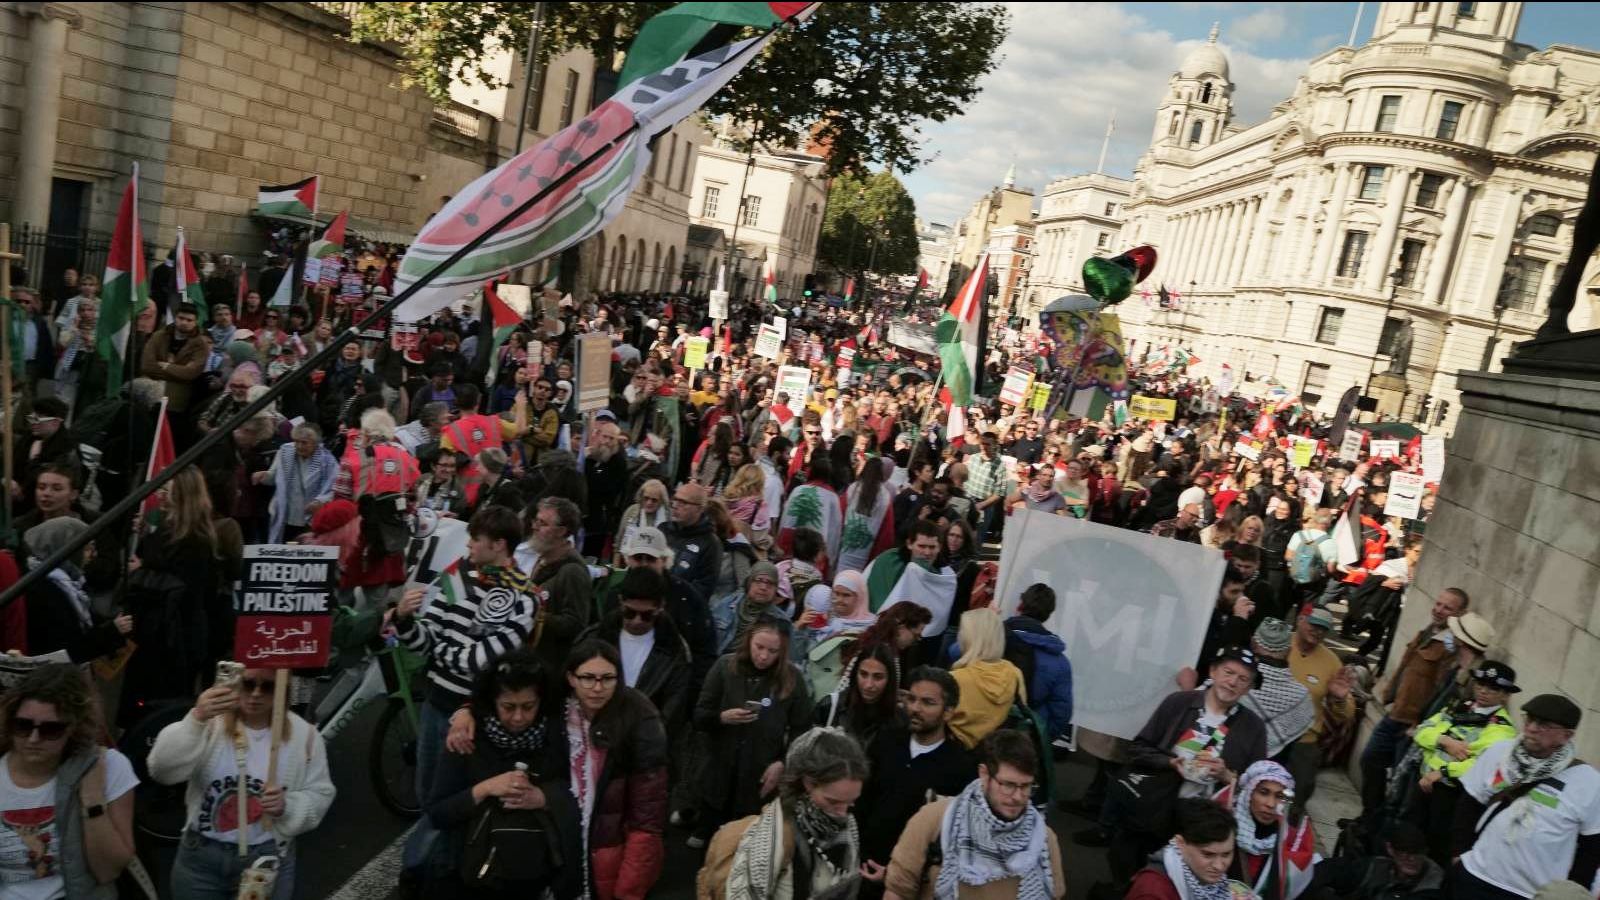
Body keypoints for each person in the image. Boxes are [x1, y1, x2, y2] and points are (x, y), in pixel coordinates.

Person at [393, 505, 537, 886]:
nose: (469, 544)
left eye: (476, 538)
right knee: (428, 795)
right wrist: (405, 621)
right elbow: (428, 640)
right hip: (435, 703)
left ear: (500, 544)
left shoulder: (524, 597)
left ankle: (434, 872)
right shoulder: (458, 574)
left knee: (453, 800)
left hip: (470, 714)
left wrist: (444, 651)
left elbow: (484, 664)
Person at [149, 662, 335, 900]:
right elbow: (161, 771)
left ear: (284, 689)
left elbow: (321, 793)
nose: (256, 693)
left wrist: (287, 806)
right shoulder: (211, 724)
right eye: (247, 684)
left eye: (268, 687)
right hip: (201, 860)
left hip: (265, 860)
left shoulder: (306, 737)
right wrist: (196, 719)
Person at [1107, 647, 1270, 886]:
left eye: (1243, 679)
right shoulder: (1179, 704)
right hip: (1155, 806)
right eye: (1228, 672)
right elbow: (1138, 749)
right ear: (1213, 672)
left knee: (1183, 881)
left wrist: (1226, 775)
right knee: (1132, 867)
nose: (1233, 682)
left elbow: (1257, 784)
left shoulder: (1253, 727)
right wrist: (1171, 762)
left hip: (1203, 819)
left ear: (1248, 687)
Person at [0, 663, 137, 899]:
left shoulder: (107, 766)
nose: (33, 739)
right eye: (22, 725)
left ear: (74, 728)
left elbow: (108, 871)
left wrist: (93, 802)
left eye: (50, 730)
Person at [884, 729, 1066, 899]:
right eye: (1008, 785)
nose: (1018, 797)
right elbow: (897, 890)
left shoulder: (1043, 839)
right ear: (984, 774)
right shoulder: (934, 820)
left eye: (1026, 786)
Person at [1451, 694, 1600, 900]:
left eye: (1544, 724)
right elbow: (1468, 804)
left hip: (1530, 893)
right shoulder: (1499, 753)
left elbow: (1591, 849)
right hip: (1476, 876)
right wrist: (1458, 855)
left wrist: (1571, 893)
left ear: (1566, 735)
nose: (1531, 728)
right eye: (1529, 719)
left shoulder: (1588, 781)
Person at [697, 727, 873, 899]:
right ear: (808, 783)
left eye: (851, 802)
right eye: (832, 801)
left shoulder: (847, 822)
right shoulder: (774, 837)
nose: (842, 814)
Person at [690, 617, 812, 849]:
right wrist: (721, 717)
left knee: (744, 845)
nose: (764, 656)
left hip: (758, 775)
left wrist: (782, 763)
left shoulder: (792, 679)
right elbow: (699, 716)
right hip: (718, 770)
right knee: (708, 847)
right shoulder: (725, 667)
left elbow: (802, 728)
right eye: (759, 647)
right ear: (749, 642)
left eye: (772, 650)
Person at [117, 465, 222, 727]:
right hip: (157, 633)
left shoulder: (195, 539)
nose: (161, 494)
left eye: (167, 489)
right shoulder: (168, 530)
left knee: (163, 703)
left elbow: (185, 588)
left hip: (175, 638)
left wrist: (143, 571)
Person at [856, 666, 977, 887]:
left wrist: (902, 873)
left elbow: (950, 838)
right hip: (863, 866)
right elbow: (862, 800)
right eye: (911, 699)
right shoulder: (886, 741)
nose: (915, 708)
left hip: (910, 881)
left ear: (948, 711)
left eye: (927, 703)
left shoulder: (960, 767)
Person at [1359, 588, 1471, 826]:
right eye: (1438, 603)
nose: (1439, 610)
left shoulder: (1450, 646)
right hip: (1396, 713)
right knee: (1370, 760)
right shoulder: (1427, 633)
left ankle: (1381, 827)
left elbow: (1441, 691)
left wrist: (1422, 724)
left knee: (1399, 783)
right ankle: (1370, 817)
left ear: (1460, 613)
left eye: (1447, 607)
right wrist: (1388, 693)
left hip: (1413, 723)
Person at [1403, 662, 1518, 866]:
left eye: (1493, 688)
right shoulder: (1460, 707)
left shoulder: (1502, 730)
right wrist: (1445, 741)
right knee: (1407, 838)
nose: (1483, 691)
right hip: (1422, 781)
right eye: (1481, 684)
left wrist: (1444, 771)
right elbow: (1422, 731)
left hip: (1451, 793)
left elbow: (1482, 765)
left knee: (1436, 848)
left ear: (1505, 695)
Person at [577, 566, 693, 728]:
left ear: (661, 607)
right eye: (630, 613)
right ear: (620, 601)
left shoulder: (675, 651)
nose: (637, 621)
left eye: (646, 615)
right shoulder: (593, 638)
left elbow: (672, 713)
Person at [22, 518, 130, 662]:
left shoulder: (63, 584)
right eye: (87, 548)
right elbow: (67, 649)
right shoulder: (45, 591)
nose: (94, 554)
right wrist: (112, 632)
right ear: (67, 549)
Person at [1284, 609, 1355, 816]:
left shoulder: (1332, 661)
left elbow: (1345, 714)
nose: (1317, 632)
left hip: (1304, 742)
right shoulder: (1279, 643)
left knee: (1294, 801)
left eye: (1323, 629)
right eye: (1313, 625)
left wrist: (1339, 698)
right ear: (1300, 619)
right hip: (1267, 734)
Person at [1213, 761, 1319, 900]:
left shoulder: (1290, 841)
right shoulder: (1220, 824)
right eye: (1263, 792)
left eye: (1279, 796)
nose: (1271, 804)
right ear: (1249, 793)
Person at [525, 497, 594, 672]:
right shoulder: (544, 558)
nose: (535, 526)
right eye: (536, 520)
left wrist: (533, 615)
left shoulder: (572, 571)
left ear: (562, 531)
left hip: (551, 667)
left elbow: (576, 624)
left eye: (543, 523)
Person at [1124, 798, 1237, 900]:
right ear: (1180, 843)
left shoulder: (1204, 878)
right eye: (1207, 854)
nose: (1219, 866)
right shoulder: (1152, 892)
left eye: (1226, 854)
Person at [1305, 820, 1445, 900]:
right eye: (1405, 853)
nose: (1412, 859)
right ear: (1391, 850)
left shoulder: (1432, 887)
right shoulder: (1378, 866)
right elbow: (1332, 870)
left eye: (1417, 853)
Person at [946, 609, 1025, 750]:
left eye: (962, 631)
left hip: (953, 753)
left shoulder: (956, 679)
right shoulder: (1014, 673)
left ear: (970, 637)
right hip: (992, 755)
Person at [1240, 618, 1315, 760]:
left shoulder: (1233, 680)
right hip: (1271, 772)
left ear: (1253, 644)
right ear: (1289, 651)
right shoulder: (1302, 696)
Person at [257, 423, 338, 542]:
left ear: (315, 444)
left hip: (310, 520)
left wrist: (320, 501)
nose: (299, 446)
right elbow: (274, 477)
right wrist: (264, 476)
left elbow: (333, 486)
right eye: (296, 441)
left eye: (304, 442)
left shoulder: (327, 460)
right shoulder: (285, 451)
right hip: (285, 517)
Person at [812, 640, 901, 747]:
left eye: (878, 677)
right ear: (855, 674)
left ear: (889, 680)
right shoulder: (829, 707)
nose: (868, 684)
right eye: (863, 674)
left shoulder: (900, 720)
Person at [140, 301, 211, 414]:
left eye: (189, 320)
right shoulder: (159, 335)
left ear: (195, 322)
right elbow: (147, 366)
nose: (184, 322)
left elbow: (191, 373)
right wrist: (178, 371)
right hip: (150, 397)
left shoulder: (201, 344)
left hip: (177, 402)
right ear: (175, 317)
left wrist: (167, 366)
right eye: (181, 318)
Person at [711, 560, 790, 655]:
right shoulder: (726, 605)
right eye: (759, 580)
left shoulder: (781, 620)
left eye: (770, 583)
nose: (763, 587)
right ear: (749, 582)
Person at [662, 481, 724, 602]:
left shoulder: (711, 544)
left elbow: (704, 587)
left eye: (683, 502)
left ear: (699, 509)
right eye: (675, 500)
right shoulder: (663, 530)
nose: (675, 505)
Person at [964, 430, 1009, 547]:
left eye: (988, 444)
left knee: (976, 540)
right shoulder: (973, 458)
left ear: (994, 445)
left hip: (984, 507)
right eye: (982, 443)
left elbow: (999, 493)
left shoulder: (1000, 466)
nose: (984, 447)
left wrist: (981, 505)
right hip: (967, 501)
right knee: (962, 534)